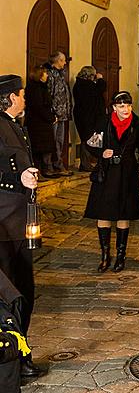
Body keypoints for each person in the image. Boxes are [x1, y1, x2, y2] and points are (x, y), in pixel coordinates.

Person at [0, 74, 41, 379]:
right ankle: (17, 357)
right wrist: (22, 175)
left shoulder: (13, 126)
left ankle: (19, 354)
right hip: (6, 221)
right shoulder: (1, 126)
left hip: (18, 217)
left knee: (21, 287)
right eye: (22, 94)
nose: (25, 99)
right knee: (15, 289)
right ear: (11, 97)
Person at [84, 91, 139, 273]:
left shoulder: (137, 124)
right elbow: (90, 142)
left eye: (128, 105)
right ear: (114, 108)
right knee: (104, 213)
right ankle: (104, 256)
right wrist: (101, 153)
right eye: (121, 106)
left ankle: (120, 255)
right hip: (107, 171)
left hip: (127, 172)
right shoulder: (104, 122)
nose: (125, 109)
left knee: (122, 214)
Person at [24, 66, 56, 179]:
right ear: (40, 75)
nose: (47, 75)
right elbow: (38, 107)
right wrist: (51, 118)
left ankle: (44, 170)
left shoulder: (41, 87)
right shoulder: (35, 88)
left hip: (42, 123)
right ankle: (38, 171)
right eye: (45, 73)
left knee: (44, 149)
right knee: (37, 149)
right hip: (37, 123)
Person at [72, 66, 107, 171]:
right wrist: (100, 79)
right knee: (89, 139)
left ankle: (89, 163)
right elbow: (101, 88)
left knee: (89, 138)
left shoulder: (79, 84)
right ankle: (87, 163)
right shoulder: (86, 85)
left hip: (84, 116)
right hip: (89, 117)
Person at [46, 51, 72, 176]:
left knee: (60, 141)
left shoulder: (61, 74)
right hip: (54, 114)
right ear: (57, 61)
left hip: (62, 113)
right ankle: (49, 166)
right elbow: (49, 94)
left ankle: (58, 164)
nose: (65, 62)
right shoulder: (50, 74)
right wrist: (52, 112)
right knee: (52, 140)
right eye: (63, 60)